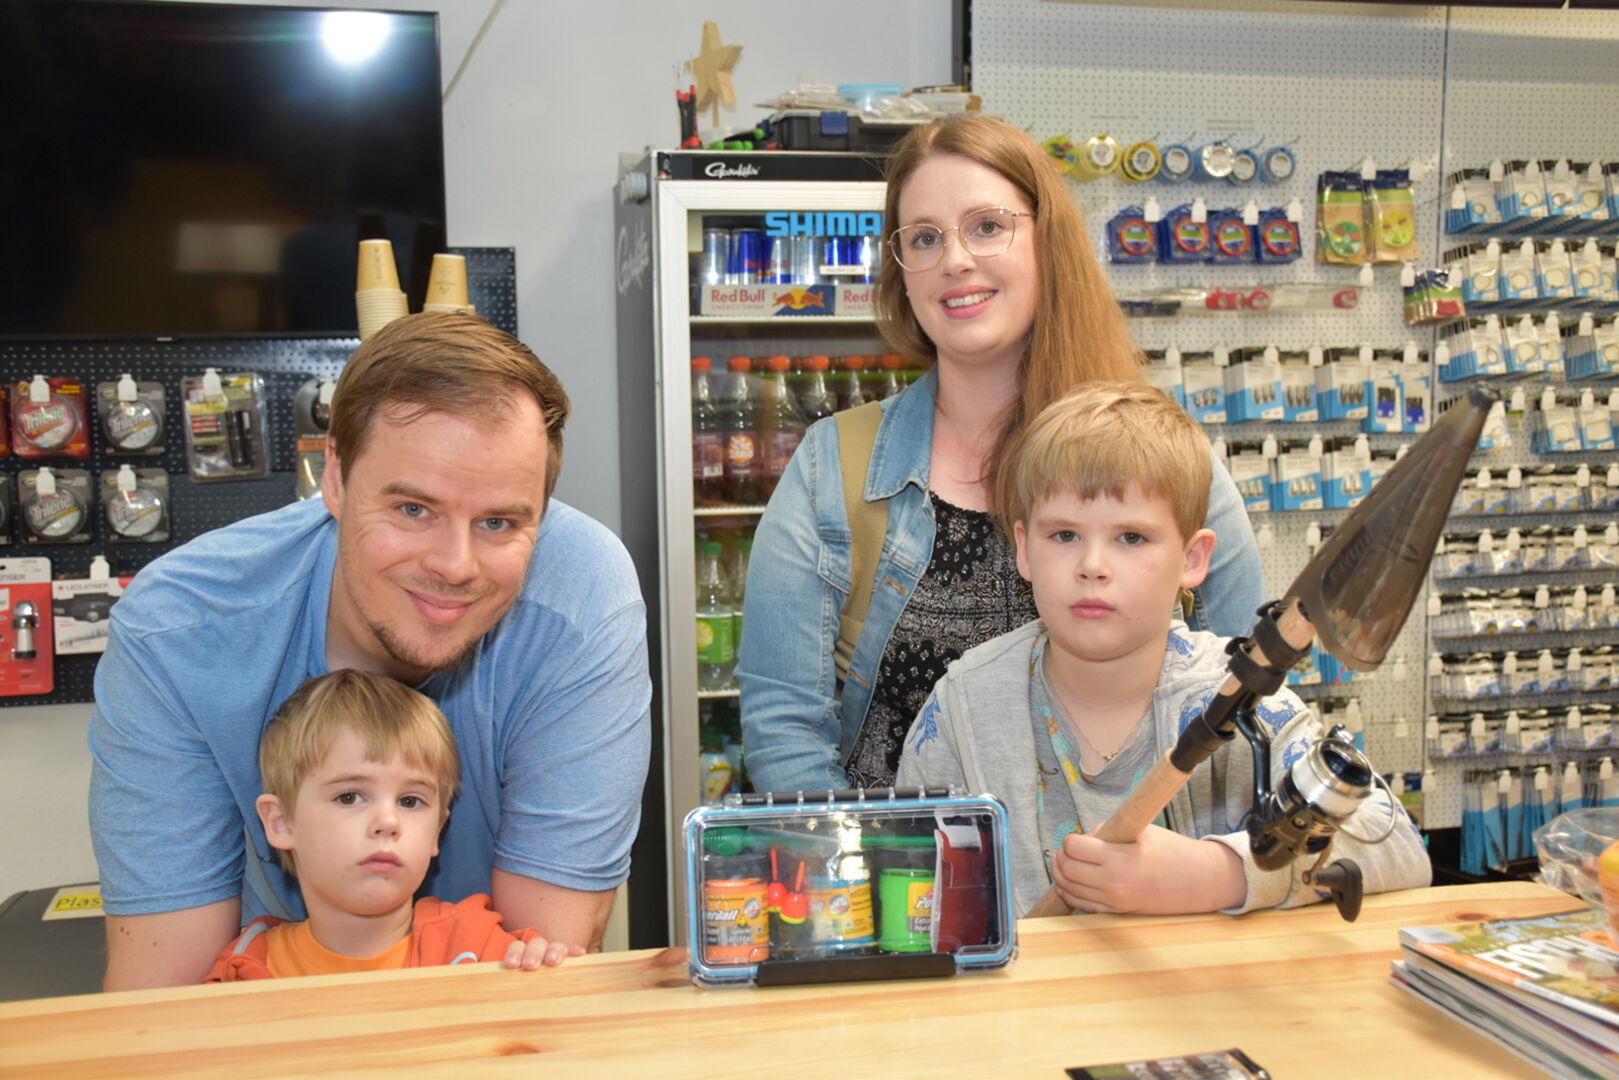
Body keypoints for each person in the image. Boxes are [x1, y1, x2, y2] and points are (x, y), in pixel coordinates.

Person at [90, 311, 652, 990]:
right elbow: (163, 1007)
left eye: (499, 522)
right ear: (334, 478)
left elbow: (538, 978)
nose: (454, 565)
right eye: (413, 509)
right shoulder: (177, 632)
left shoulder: (581, 595)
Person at [738, 114, 1266, 794]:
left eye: (987, 226)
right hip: (904, 888)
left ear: (1049, 242)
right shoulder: (830, 468)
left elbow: (1246, 698)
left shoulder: (1169, 459)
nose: (954, 259)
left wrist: (1197, 875)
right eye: (923, 238)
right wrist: (864, 881)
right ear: (901, 272)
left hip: (1134, 888)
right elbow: (785, 729)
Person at [895, 383, 1431, 917]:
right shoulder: (963, 708)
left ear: (1193, 560)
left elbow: (1399, 846)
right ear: (1023, 549)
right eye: (1063, 535)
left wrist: (1219, 875)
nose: (1093, 565)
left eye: (1131, 537)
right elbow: (911, 902)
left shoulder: (1245, 696)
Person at [206, 670, 581, 981]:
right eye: (350, 796)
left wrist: (543, 975)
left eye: (410, 801)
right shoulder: (244, 973)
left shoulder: (481, 950)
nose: (387, 821)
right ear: (281, 823)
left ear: (437, 831)